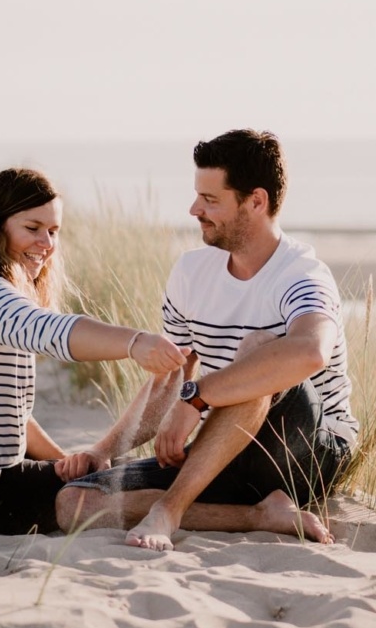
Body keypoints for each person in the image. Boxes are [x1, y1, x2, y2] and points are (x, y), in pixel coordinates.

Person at [58, 129, 358, 550]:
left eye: (211, 200)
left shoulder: (301, 274)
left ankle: (169, 511)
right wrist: (106, 447)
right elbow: (171, 376)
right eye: (198, 196)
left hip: (306, 449)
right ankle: (259, 515)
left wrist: (197, 398)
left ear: (256, 201)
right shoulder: (191, 273)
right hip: (227, 442)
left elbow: (310, 351)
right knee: (75, 503)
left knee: (257, 353)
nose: (195, 209)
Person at [0, 167, 186, 536]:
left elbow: (7, 414)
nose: (45, 243)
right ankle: (250, 513)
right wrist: (134, 342)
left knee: (98, 470)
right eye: (32, 228)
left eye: (53, 231)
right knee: (112, 484)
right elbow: (52, 331)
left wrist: (63, 462)